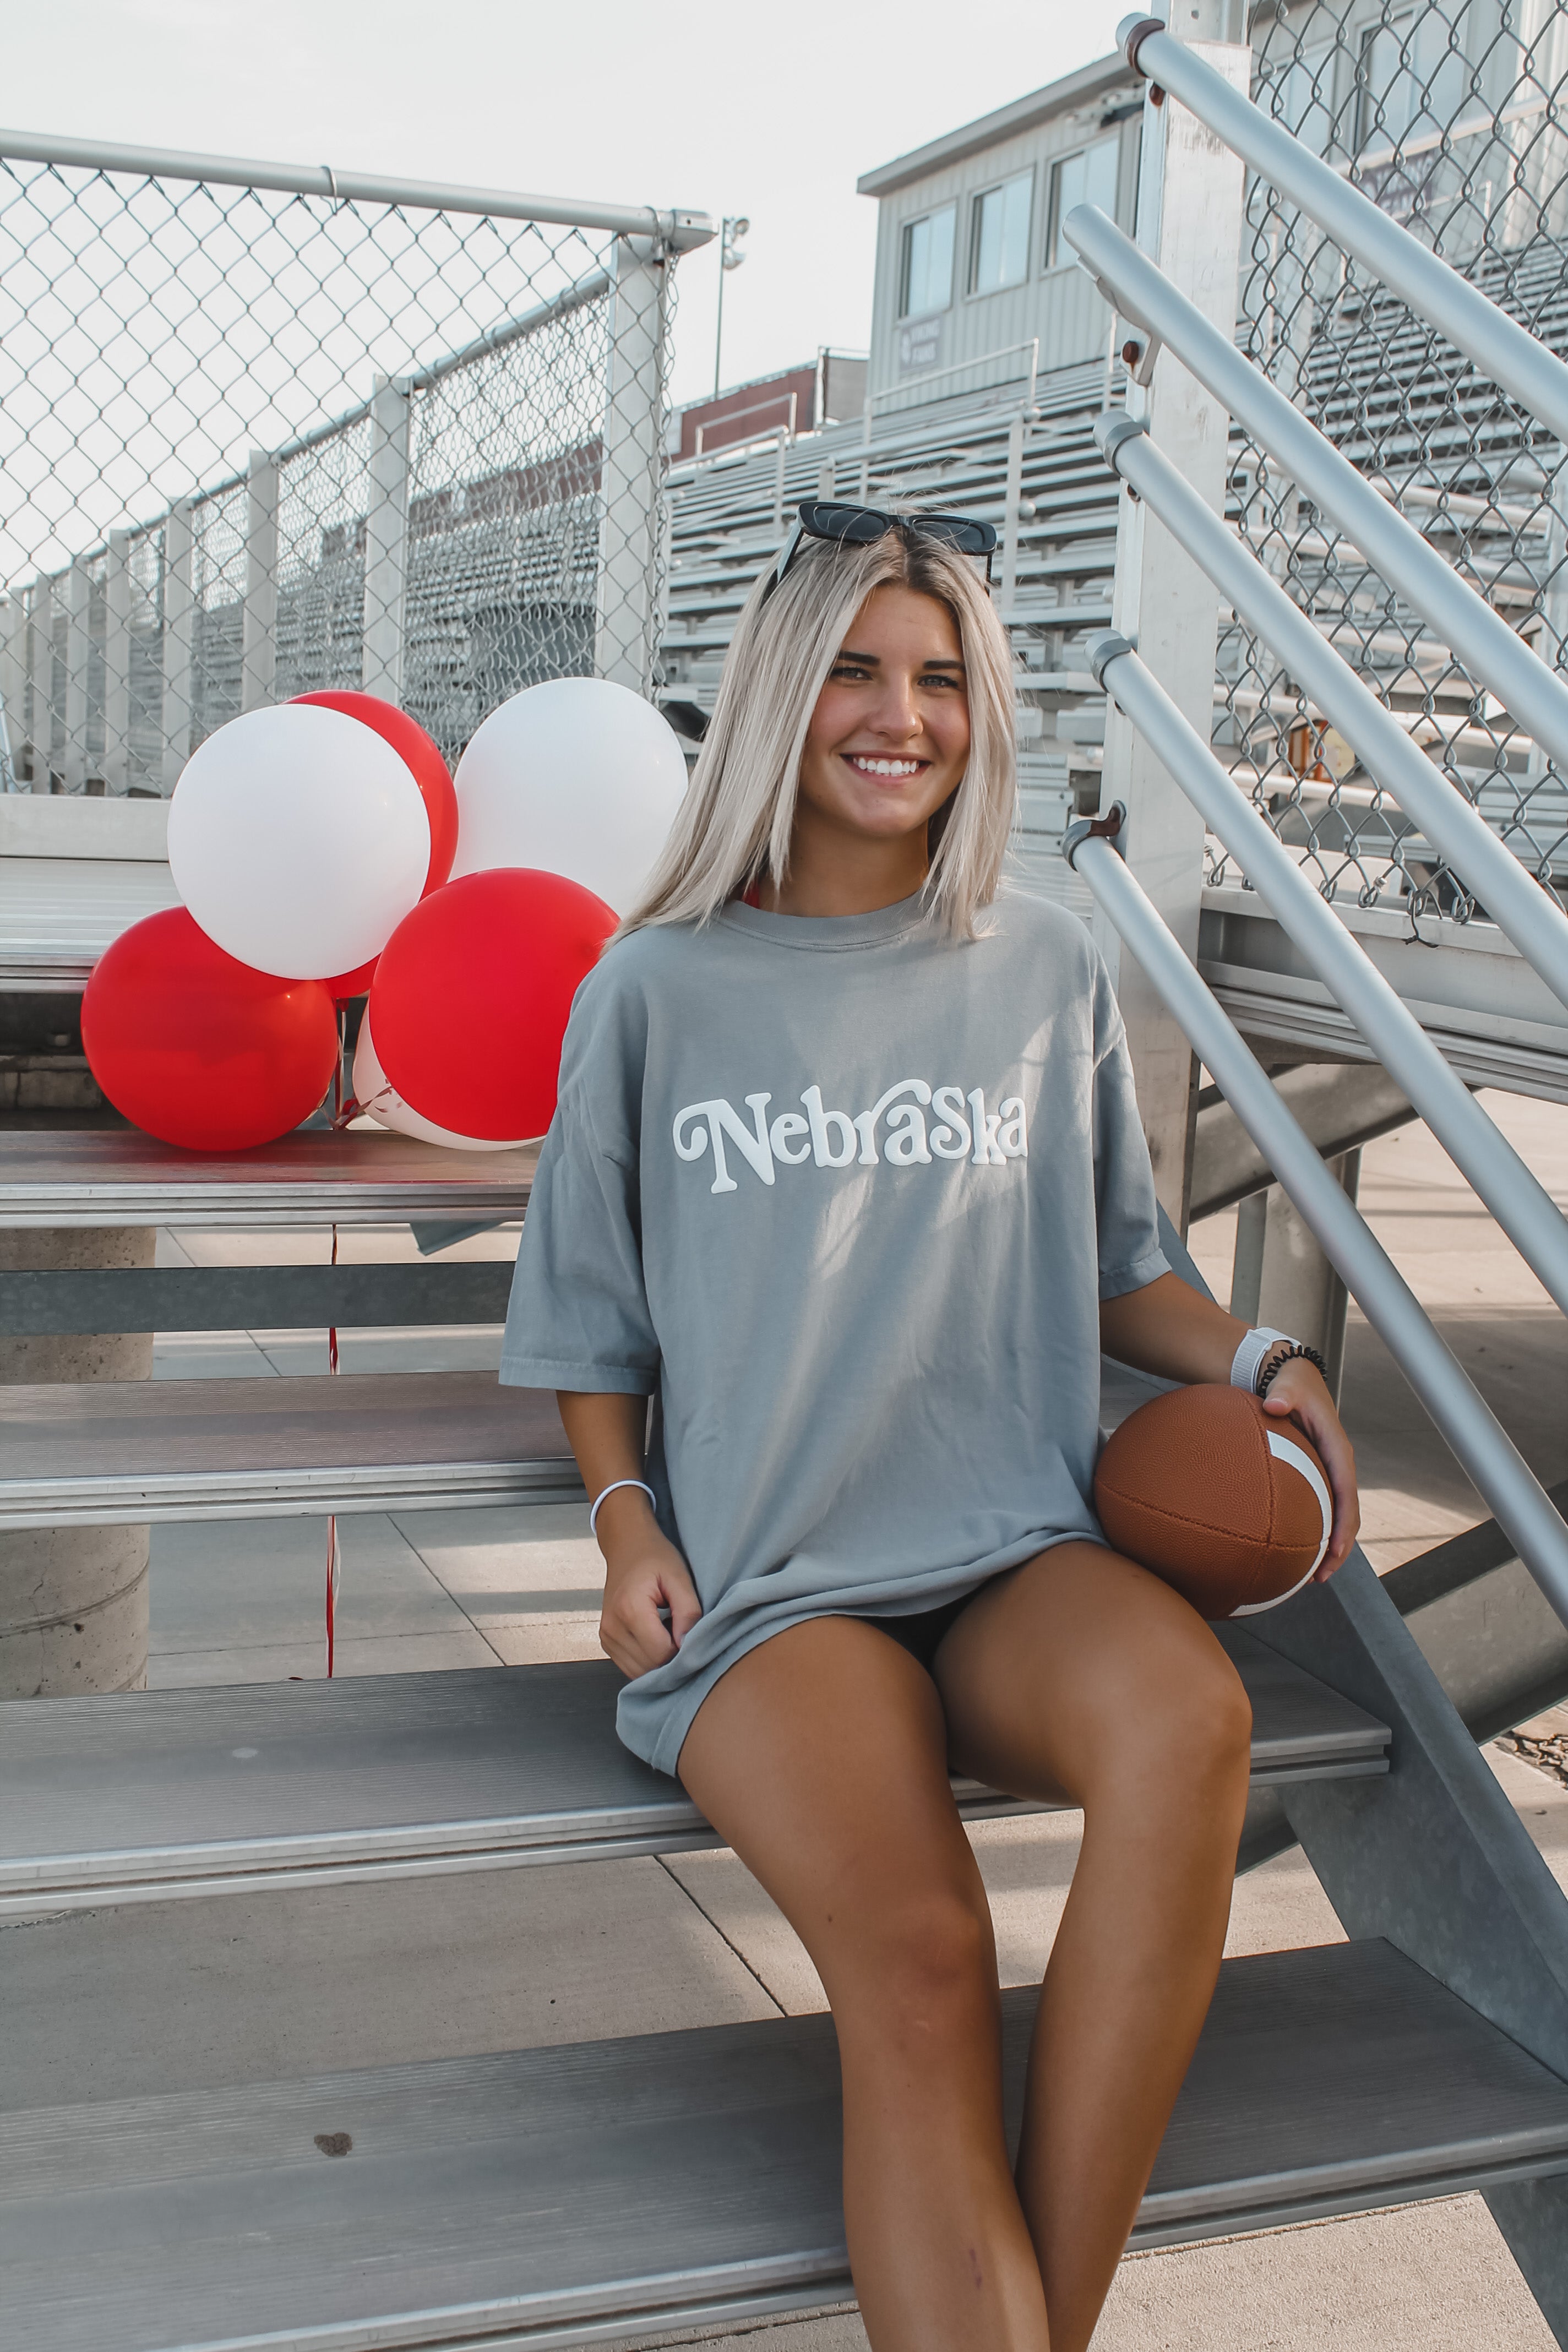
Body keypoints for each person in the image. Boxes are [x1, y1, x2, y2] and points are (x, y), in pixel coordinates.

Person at [500, 502, 1360, 2352]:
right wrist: (623, 1521)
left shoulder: (1040, 966)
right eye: (863, 673)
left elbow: (1124, 1266)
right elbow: (586, 1316)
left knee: (1192, 1715)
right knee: (924, 1953)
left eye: (948, 679)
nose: (906, 717)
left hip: (1005, 1545)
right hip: (775, 1584)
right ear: (781, 697)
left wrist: (1263, 1356)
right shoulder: (654, 988)